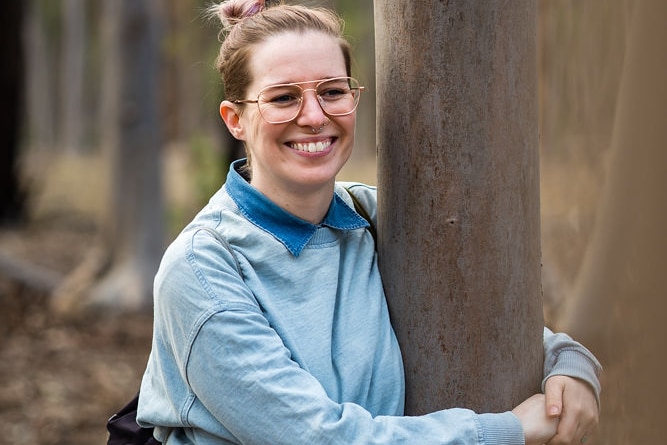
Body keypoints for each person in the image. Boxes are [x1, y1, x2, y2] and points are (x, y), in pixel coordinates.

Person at [137, 1, 602, 444]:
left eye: (333, 91)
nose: (315, 116)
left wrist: (567, 362)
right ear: (235, 119)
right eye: (283, 98)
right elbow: (316, 437)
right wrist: (503, 433)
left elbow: (483, 310)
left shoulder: (373, 218)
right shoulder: (203, 269)